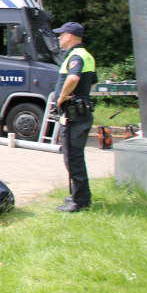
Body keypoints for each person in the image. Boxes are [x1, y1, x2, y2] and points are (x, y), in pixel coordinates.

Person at [52, 22, 97, 213]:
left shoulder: (76, 56)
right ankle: (78, 195)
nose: (59, 38)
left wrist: (62, 97)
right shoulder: (87, 55)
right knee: (74, 156)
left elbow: (73, 78)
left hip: (74, 115)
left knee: (73, 157)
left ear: (69, 36)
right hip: (81, 112)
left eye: (61, 35)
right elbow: (92, 83)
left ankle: (80, 201)